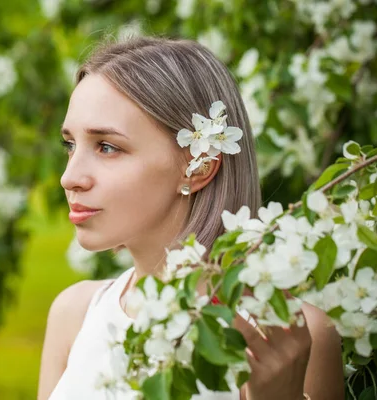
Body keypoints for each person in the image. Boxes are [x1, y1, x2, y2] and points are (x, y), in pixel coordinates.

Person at [37, 36, 344, 399]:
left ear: (197, 167)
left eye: (107, 147)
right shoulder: (74, 314)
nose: (69, 177)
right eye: (70, 145)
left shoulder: (288, 335)